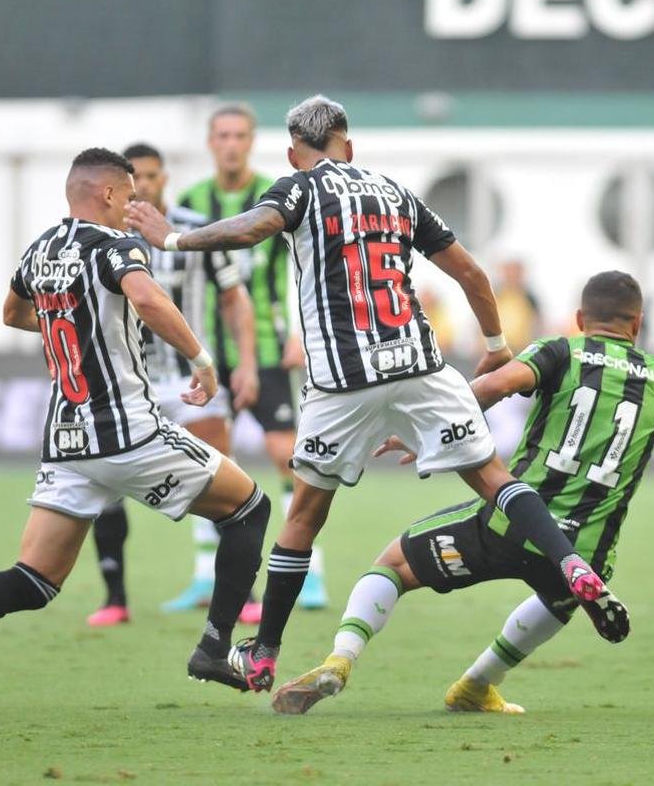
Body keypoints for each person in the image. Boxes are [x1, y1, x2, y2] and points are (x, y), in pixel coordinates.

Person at [125, 95, 624, 693]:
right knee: (495, 478)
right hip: (418, 363)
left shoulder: (299, 188)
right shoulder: (397, 194)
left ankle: (263, 653)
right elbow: (470, 273)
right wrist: (494, 343)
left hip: (341, 381)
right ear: (349, 145)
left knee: (305, 513)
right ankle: (571, 563)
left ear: (294, 154)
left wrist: (175, 241)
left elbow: (254, 227)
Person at [270, 271, 654, 715]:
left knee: (392, 565)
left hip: (510, 523)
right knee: (561, 597)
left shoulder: (561, 351)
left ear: (581, 319)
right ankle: (478, 683)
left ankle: (342, 658)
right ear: (639, 323)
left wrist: (427, 432)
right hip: (585, 546)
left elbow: (490, 385)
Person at [0, 148, 270, 694]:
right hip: (128, 431)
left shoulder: (42, 249)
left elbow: (13, 313)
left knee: (35, 578)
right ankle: (214, 649)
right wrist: (204, 362)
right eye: (130, 194)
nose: (134, 204)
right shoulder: (115, 245)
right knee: (250, 507)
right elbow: (146, 297)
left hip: (68, 441)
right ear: (110, 194)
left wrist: (64, 328)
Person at [84, 142, 261, 627]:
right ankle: (115, 598)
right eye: (134, 176)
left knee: (229, 486)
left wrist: (244, 362)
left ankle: (242, 596)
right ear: (118, 185)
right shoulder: (100, 236)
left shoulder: (192, 226)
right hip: (124, 385)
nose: (144, 185)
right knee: (107, 489)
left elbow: (234, 298)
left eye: (153, 175)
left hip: (191, 380)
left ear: (165, 178)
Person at [174, 103, 326, 615]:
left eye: (240, 135)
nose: (232, 143)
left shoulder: (279, 193)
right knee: (209, 464)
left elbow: (308, 264)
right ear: (211, 142)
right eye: (223, 135)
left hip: (268, 349)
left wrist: (299, 332)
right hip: (208, 355)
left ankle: (309, 571)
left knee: (288, 455)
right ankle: (203, 577)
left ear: (251, 140)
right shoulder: (191, 201)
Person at [493, 258, 542, 352]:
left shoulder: (529, 297)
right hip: (497, 347)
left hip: (522, 348)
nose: (512, 275)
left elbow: (538, 322)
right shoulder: (495, 294)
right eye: (509, 271)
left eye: (515, 271)